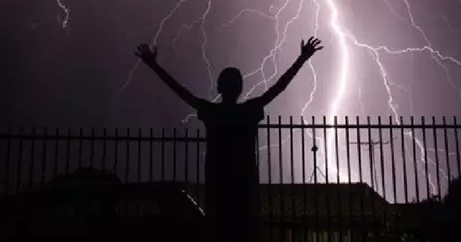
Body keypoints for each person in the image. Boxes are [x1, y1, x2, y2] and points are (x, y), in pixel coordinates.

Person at [134, 36, 324, 242]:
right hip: (245, 190)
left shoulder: (212, 112)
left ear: (218, 88)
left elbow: (181, 92)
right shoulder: (249, 110)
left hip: (218, 190)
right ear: (240, 88)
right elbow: (278, 88)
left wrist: (153, 65)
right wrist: (302, 58)